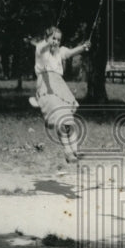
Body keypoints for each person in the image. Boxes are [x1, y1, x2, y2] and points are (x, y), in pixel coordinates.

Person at [29, 26, 90, 171]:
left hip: (60, 86)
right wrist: (46, 42)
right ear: (47, 38)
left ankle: (74, 150)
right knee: (59, 118)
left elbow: (71, 52)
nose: (55, 42)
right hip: (46, 84)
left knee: (68, 119)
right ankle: (68, 151)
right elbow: (41, 46)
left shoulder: (60, 52)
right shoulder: (41, 50)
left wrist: (83, 47)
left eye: (58, 39)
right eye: (53, 38)